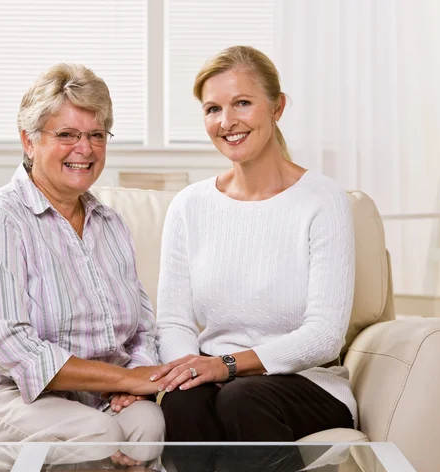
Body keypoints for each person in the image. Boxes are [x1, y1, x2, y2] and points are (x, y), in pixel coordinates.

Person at [0, 64, 164, 463]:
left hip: (94, 394)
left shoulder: (111, 224)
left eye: (97, 135)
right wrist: (125, 378)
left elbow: (143, 328)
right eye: (67, 135)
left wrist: (137, 383)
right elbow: (16, 351)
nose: (86, 148)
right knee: (100, 432)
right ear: (29, 141)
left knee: (146, 423)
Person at [146, 45, 357, 470]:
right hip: (215, 378)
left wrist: (225, 366)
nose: (227, 122)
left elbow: (325, 335)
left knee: (241, 398)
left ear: (277, 107)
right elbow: (173, 321)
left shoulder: (324, 200)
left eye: (242, 103)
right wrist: (189, 371)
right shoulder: (189, 206)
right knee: (184, 404)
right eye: (213, 108)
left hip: (305, 382)